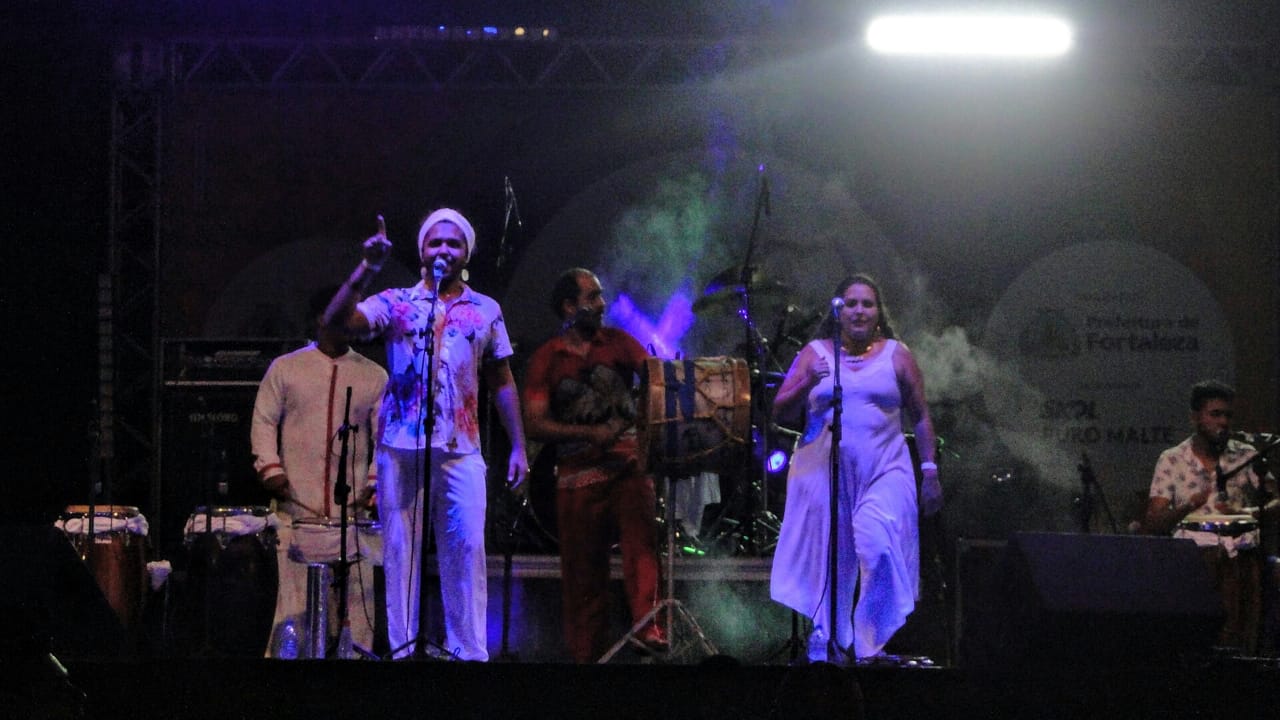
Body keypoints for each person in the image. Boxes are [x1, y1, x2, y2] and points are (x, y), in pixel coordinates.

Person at [323, 209, 528, 661]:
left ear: (466, 253)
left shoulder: (485, 309)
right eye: (436, 242)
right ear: (422, 251)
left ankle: (467, 654)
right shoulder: (396, 302)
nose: (444, 250)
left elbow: (502, 380)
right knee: (400, 553)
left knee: (467, 548)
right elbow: (336, 324)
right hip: (400, 447)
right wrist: (367, 267)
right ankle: (402, 652)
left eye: (454, 243)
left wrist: (519, 445)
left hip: (461, 448)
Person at [769, 273, 942, 663]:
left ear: (878, 312)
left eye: (867, 304)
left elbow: (920, 416)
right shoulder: (815, 353)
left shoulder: (897, 354)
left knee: (877, 546)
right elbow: (779, 411)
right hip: (823, 472)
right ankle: (831, 643)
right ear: (838, 311)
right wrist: (805, 382)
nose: (859, 311)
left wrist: (930, 470)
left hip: (885, 469)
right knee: (831, 561)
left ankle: (870, 644)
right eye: (851, 304)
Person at [521, 268, 666, 662]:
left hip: (628, 467)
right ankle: (587, 659)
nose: (602, 304)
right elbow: (534, 423)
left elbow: (658, 385)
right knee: (583, 573)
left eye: (600, 296)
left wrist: (647, 411)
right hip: (576, 478)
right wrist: (587, 433)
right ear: (569, 307)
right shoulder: (547, 358)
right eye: (593, 297)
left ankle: (649, 628)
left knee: (642, 549)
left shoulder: (620, 343)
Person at [250, 285, 388, 658]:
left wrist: (375, 481)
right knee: (293, 612)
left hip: (352, 518)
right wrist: (270, 467)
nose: (349, 322)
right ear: (319, 319)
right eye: (341, 314)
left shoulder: (374, 376)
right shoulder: (286, 368)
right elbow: (263, 421)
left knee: (356, 614)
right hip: (298, 513)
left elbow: (386, 437)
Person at [1141, 379, 1278, 654]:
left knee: (1243, 636)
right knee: (1198, 640)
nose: (1223, 422)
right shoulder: (1173, 459)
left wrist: (1248, 512)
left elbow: (1276, 500)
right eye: (1215, 414)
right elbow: (1154, 522)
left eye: (1227, 415)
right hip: (1194, 558)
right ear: (1195, 418)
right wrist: (1188, 505)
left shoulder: (1245, 455)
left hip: (1242, 554)